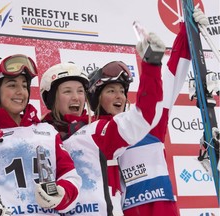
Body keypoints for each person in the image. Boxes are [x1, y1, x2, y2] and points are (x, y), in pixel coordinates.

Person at [88, 8, 209, 216]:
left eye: (121, 91)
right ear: (96, 98)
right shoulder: (92, 136)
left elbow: (173, 73)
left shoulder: (151, 122)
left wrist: (188, 31)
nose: (119, 96)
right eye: (110, 91)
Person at [39, 33, 165, 215]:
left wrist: (151, 65)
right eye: (67, 91)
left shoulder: (96, 131)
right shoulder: (39, 136)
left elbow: (142, 117)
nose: (76, 97)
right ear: (51, 99)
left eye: (81, 91)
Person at [0, 54, 82, 215]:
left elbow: (69, 176)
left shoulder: (47, 132)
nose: (21, 92)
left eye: (25, 85)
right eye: (12, 85)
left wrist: (62, 195)